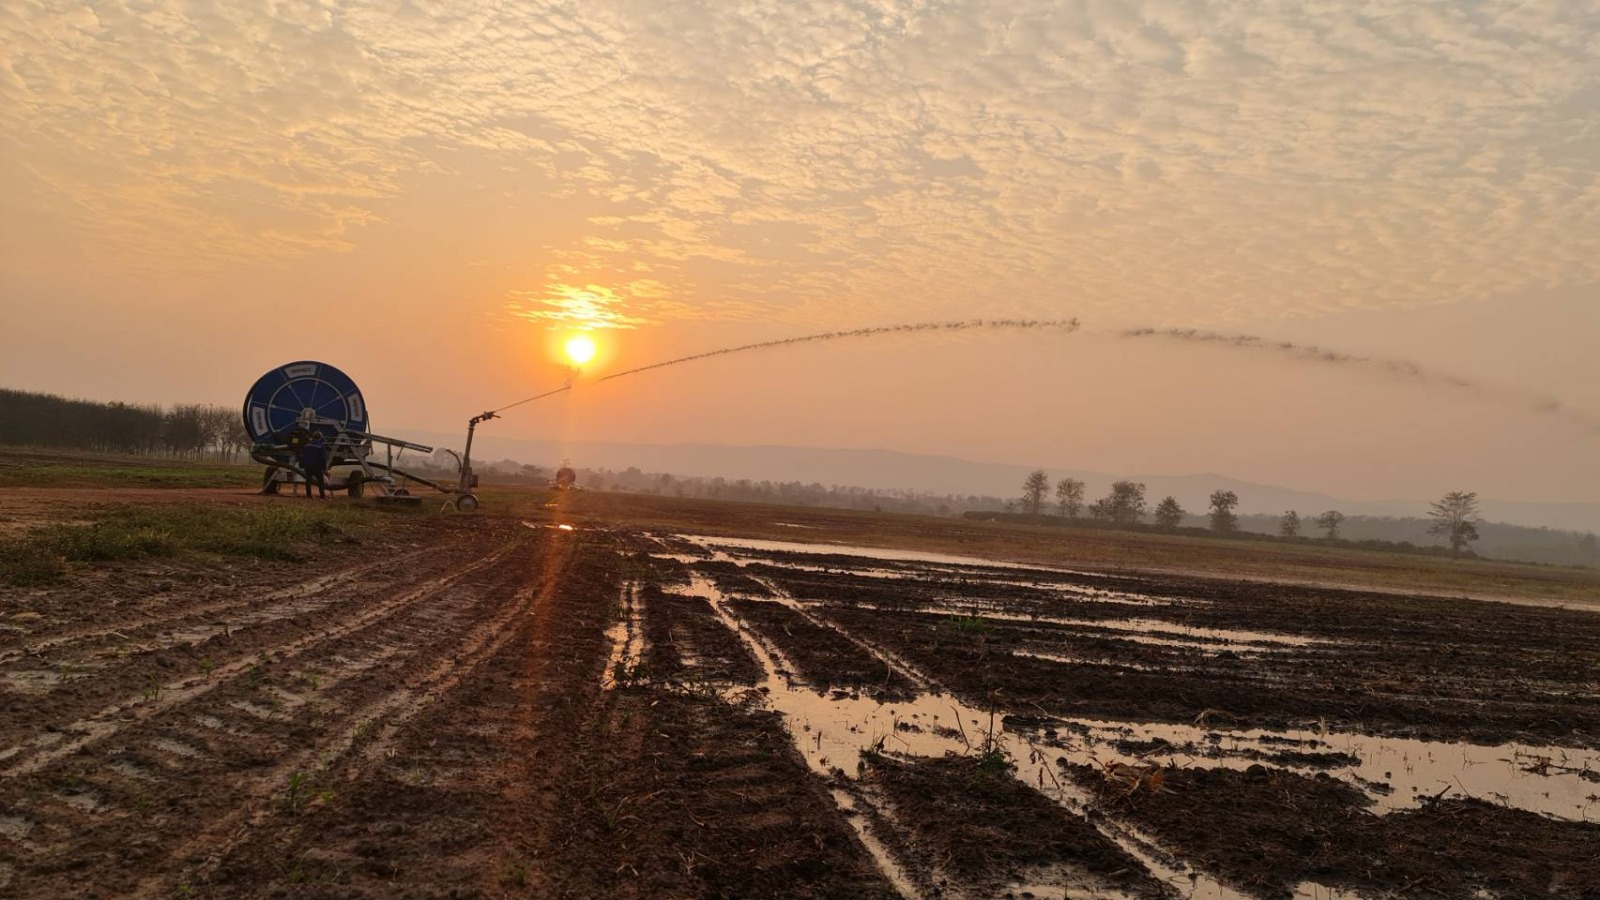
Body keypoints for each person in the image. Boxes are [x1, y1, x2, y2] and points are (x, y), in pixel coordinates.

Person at [299, 433, 330, 499]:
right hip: (317, 467)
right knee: (320, 481)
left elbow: (303, 456)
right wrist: (324, 467)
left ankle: (309, 495)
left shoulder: (307, 445)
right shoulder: (321, 446)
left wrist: (302, 465)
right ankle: (322, 496)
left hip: (308, 466)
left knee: (308, 481)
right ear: (319, 438)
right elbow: (323, 458)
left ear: (312, 437)